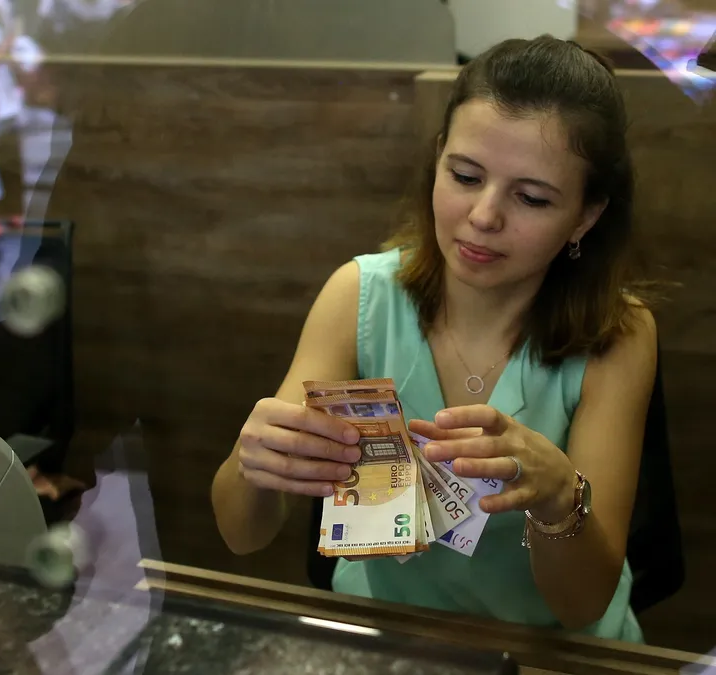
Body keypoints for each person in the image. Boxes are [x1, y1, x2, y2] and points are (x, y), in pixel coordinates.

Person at [211, 35, 656, 643]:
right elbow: (241, 534)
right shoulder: (359, 295)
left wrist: (558, 498)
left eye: (531, 197)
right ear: (438, 157)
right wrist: (255, 462)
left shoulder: (618, 334)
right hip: (387, 636)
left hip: (548, 651)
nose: (484, 216)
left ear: (585, 215)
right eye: (465, 176)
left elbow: (581, 606)